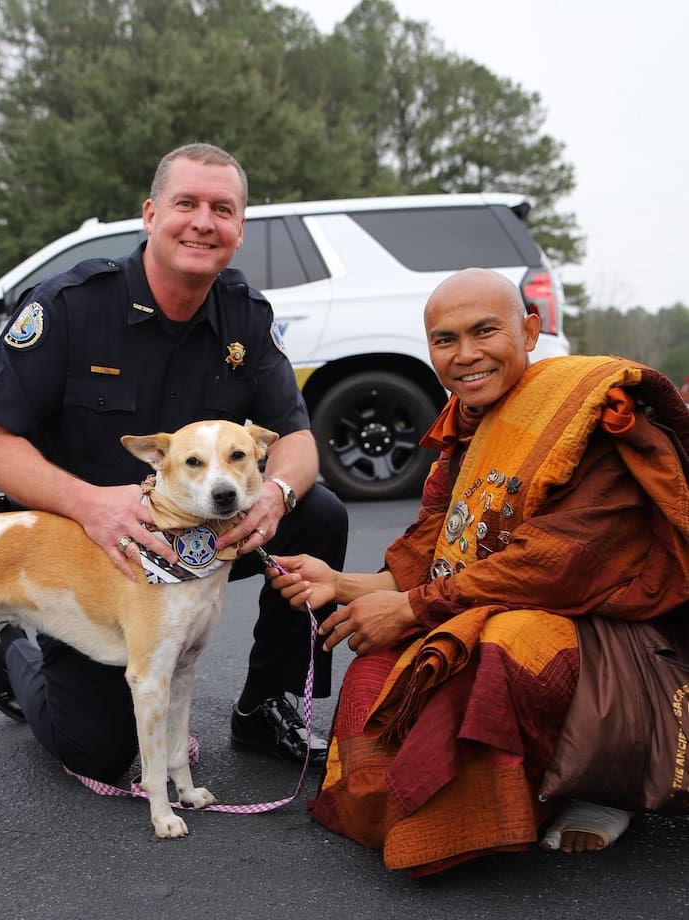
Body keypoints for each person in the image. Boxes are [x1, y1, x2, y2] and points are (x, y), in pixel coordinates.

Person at [269, 267, 689, 876]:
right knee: (376, 672)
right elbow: (438, 550)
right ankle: (464, 794)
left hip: (608, 630)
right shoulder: (467, 422)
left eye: (484, 331)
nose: (465, 355)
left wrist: (411, 609)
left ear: (530, 330)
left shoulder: (591, 413)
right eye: (444, 339)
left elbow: (557, 567)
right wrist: (344, 584)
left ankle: (596, 783)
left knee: (503, 645)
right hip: (495, 601)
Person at [0, 142, 348, 781]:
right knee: (99, 752)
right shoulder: (70, 305)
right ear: (149, 214)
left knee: (320, 513)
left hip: (195, 530)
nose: (203, 221)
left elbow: (296, 441)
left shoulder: (246, 318)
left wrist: (276, 493)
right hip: (88, 548)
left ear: (239, 230)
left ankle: (265, 703)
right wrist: (90, 503)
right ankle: (11, 651)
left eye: (222, 209)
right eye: (186, 203)